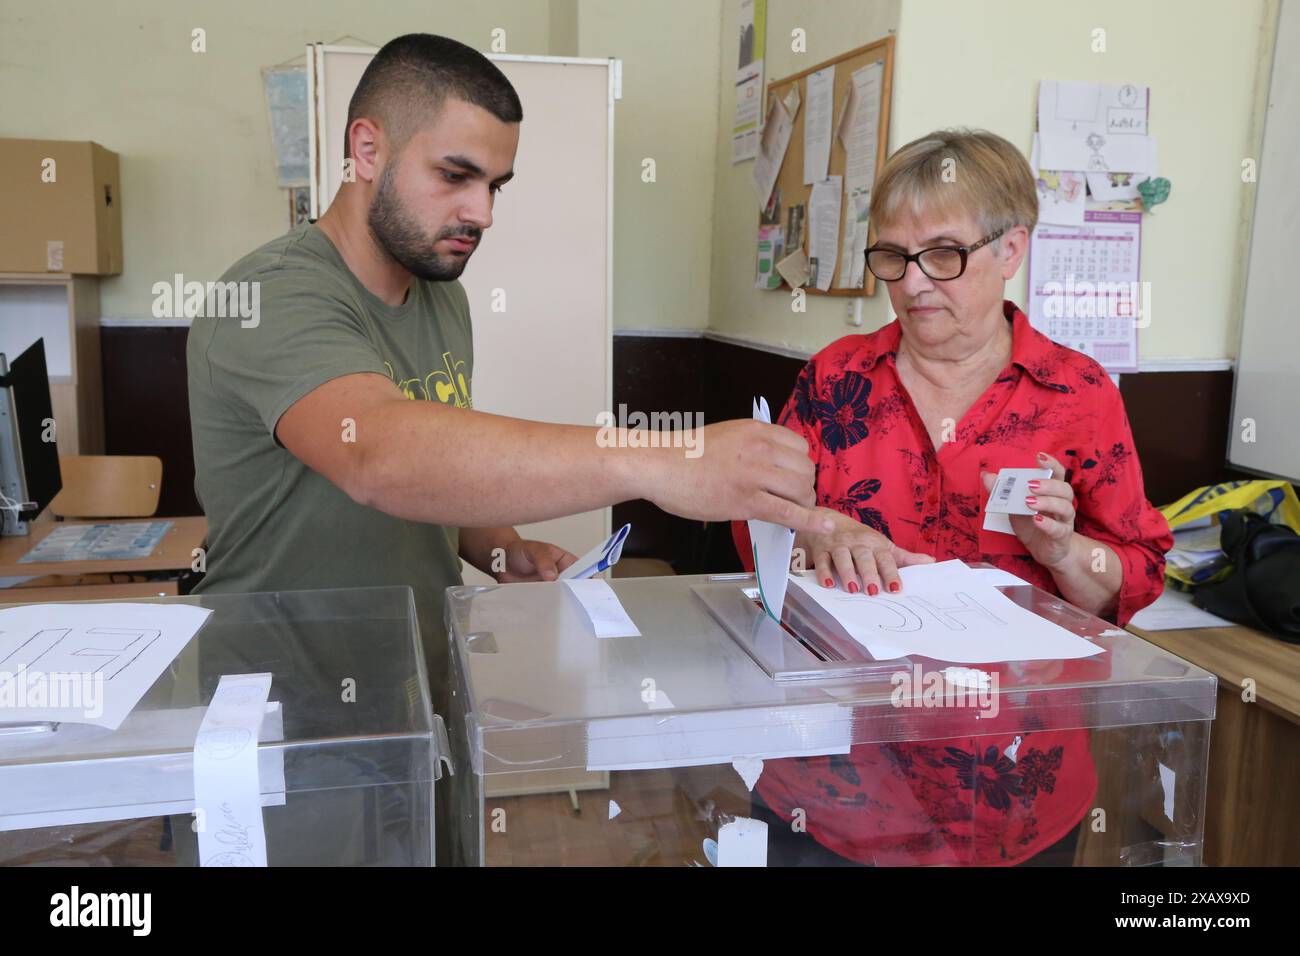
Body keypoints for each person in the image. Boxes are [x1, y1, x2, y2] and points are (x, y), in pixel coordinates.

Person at [187, 34, 830, 700]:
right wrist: (662, 460)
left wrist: (498, 547)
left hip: (417, 670)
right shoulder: (271, 297)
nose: (483, 213)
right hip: (276, 699)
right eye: (455, 175)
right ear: (367, 151)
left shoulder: (442, 295)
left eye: (495, 185)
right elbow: (376, 454)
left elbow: (436, 466)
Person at [733, 129, 1173, 866]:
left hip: (1012, 792)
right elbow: (756, 529)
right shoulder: (837, 377)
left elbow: (1137, 574)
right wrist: (818, 530)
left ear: (1011, 251)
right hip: (836, 787)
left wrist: (1064, 552)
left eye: (942, 254)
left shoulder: (1078, 394)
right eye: (892, 257)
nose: (911, 283)